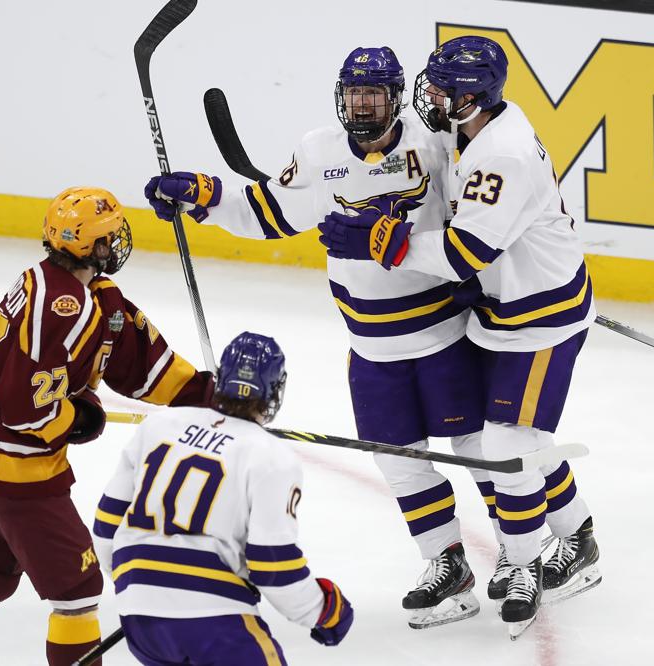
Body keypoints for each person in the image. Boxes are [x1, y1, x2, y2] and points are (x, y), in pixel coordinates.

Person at [145, 47, 495, 629]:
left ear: (396, 96)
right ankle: (447, 564)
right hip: (372, 350)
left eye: (374, 94)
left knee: (480, 451)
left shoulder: (435, 144)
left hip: (443, 335)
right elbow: (269, 213)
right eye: (354, 94)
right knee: (398, 462)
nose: (362, 105)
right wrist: (205, 195)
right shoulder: (319, 152)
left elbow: (478, 218)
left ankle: (518, 554)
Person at [317, 35, 601, 636]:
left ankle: (530, 563)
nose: (433, 95)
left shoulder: (505, 155)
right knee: (507, 445)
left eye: (445, 88)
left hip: (539, 322)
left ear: (474, 97)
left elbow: (463, 253)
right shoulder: (469, 130)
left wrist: (381, 243)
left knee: (503, 448)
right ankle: (576, 536)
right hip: (499, 312)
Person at [0, 187, 214, 666]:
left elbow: (132, 357)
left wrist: (205, 396)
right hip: (20, 475)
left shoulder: (65, 289)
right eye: (110, 236)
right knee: (79, 594)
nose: (118, 242)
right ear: (93, 247)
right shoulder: (68, 308)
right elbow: (24, 408)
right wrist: (74, 417)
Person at [92, 332, 353, 664]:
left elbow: (107, 525)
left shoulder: (160, 425)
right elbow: (273, 564)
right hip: (214, 621)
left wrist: (145, 588)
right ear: (274, 392)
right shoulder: (271, 456)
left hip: (139, 617)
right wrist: (325, 611)